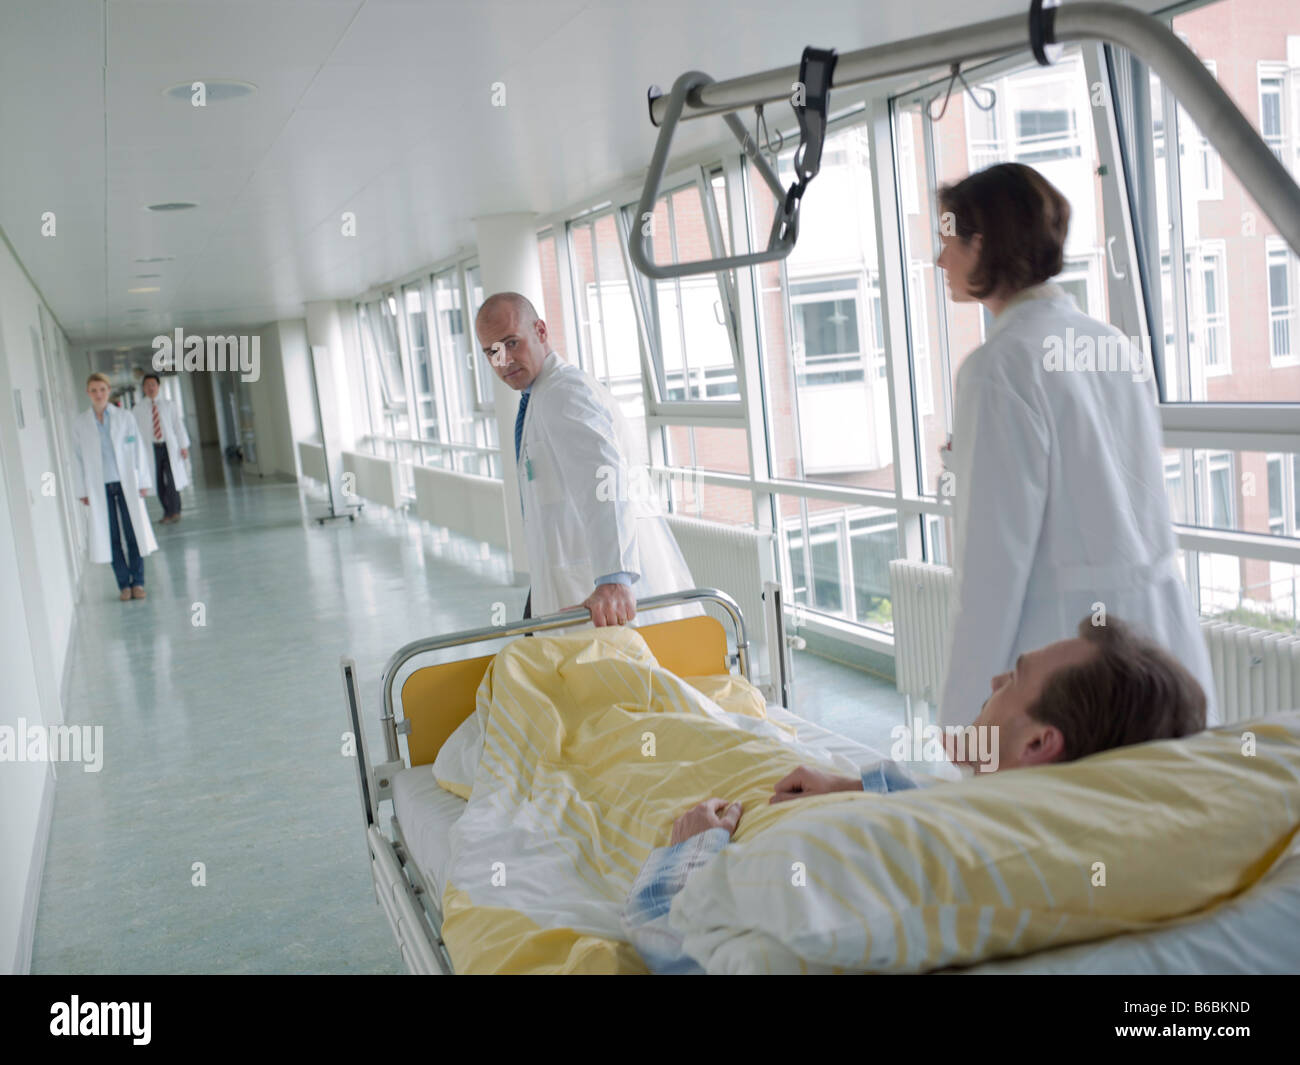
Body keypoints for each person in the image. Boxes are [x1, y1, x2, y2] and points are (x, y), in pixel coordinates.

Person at [622, 615, 1207, 973]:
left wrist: (688, 852)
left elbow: (676, 946)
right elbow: (952, 803)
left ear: (1037, 745)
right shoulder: (1067, 834)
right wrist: (855, 783)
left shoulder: (918, 875)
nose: (995, 681)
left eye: (1017, 677)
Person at [932, 162, 1216, 727]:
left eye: (947, 242)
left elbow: (991, 566)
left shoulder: (999, 369)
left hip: (1068, 664)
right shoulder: (1110, 344)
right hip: (1161, 649)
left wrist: (962, 724)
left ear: (981, 244)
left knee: (1072, 811)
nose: (939, 261)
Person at [475, 291, 695, 626]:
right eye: (492, 352)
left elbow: (605, 478)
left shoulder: (565, 391)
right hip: (569, 579)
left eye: (511, 343)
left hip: (603, 588)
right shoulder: (539, 396)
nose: (503, 360)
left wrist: (613, 578)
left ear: (541, 331)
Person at [72, 373, 159, 600]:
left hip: (126, 482)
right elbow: (77, 458)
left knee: (133, 534)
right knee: (110, 536)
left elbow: (137, 449)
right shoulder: (81, 423)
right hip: (99, 487)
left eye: (102, 389)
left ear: (108, 391)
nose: (98, 394)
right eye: (93, 390)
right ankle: (123, 585)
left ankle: (138, 582)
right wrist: (82, 490)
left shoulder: (124, 417)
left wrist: (142, 482)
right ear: (88, 393)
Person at [133, 373, 190, 524]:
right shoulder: (138, 410)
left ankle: (175, 511)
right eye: (147, 385)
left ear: (158, 386)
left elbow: (178, 426)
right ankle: (167, 512)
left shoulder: (169, 405)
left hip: (169, 447)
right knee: (157, 481)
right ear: (143, 388)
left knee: (172, 480)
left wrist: (183, 446)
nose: (150, 388)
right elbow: (135, 432)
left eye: (153, 385)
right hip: (151, 449)